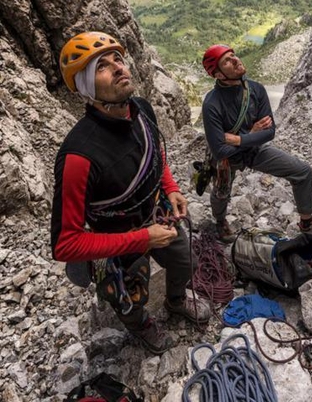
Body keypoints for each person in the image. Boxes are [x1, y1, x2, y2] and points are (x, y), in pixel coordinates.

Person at [51, 31, 209, 355]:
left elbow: (154, 155)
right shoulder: (79, 156)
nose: (119, 68)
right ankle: (140, 325)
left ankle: (176, 300)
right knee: (128, 297)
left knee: (185, 260)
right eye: (102, 67)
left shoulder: (141, 110)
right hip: (117, 240)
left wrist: (171, 187)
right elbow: (65, 243)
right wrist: (143, 240)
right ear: (86, 89)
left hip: (155, 215)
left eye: (118, 60)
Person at [201, 44, 312, 243]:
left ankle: (307, 223)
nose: (235, 60)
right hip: (228, 158)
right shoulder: (211, 104)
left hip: (251, 149)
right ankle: (220, 220)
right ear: (219, 75)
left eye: (233, 55)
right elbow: (220, 150)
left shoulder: (256, 90)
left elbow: (269, 132)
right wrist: (252, 134)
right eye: (227, 61)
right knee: (221, 191)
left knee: (302, 171)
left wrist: (241, 138)